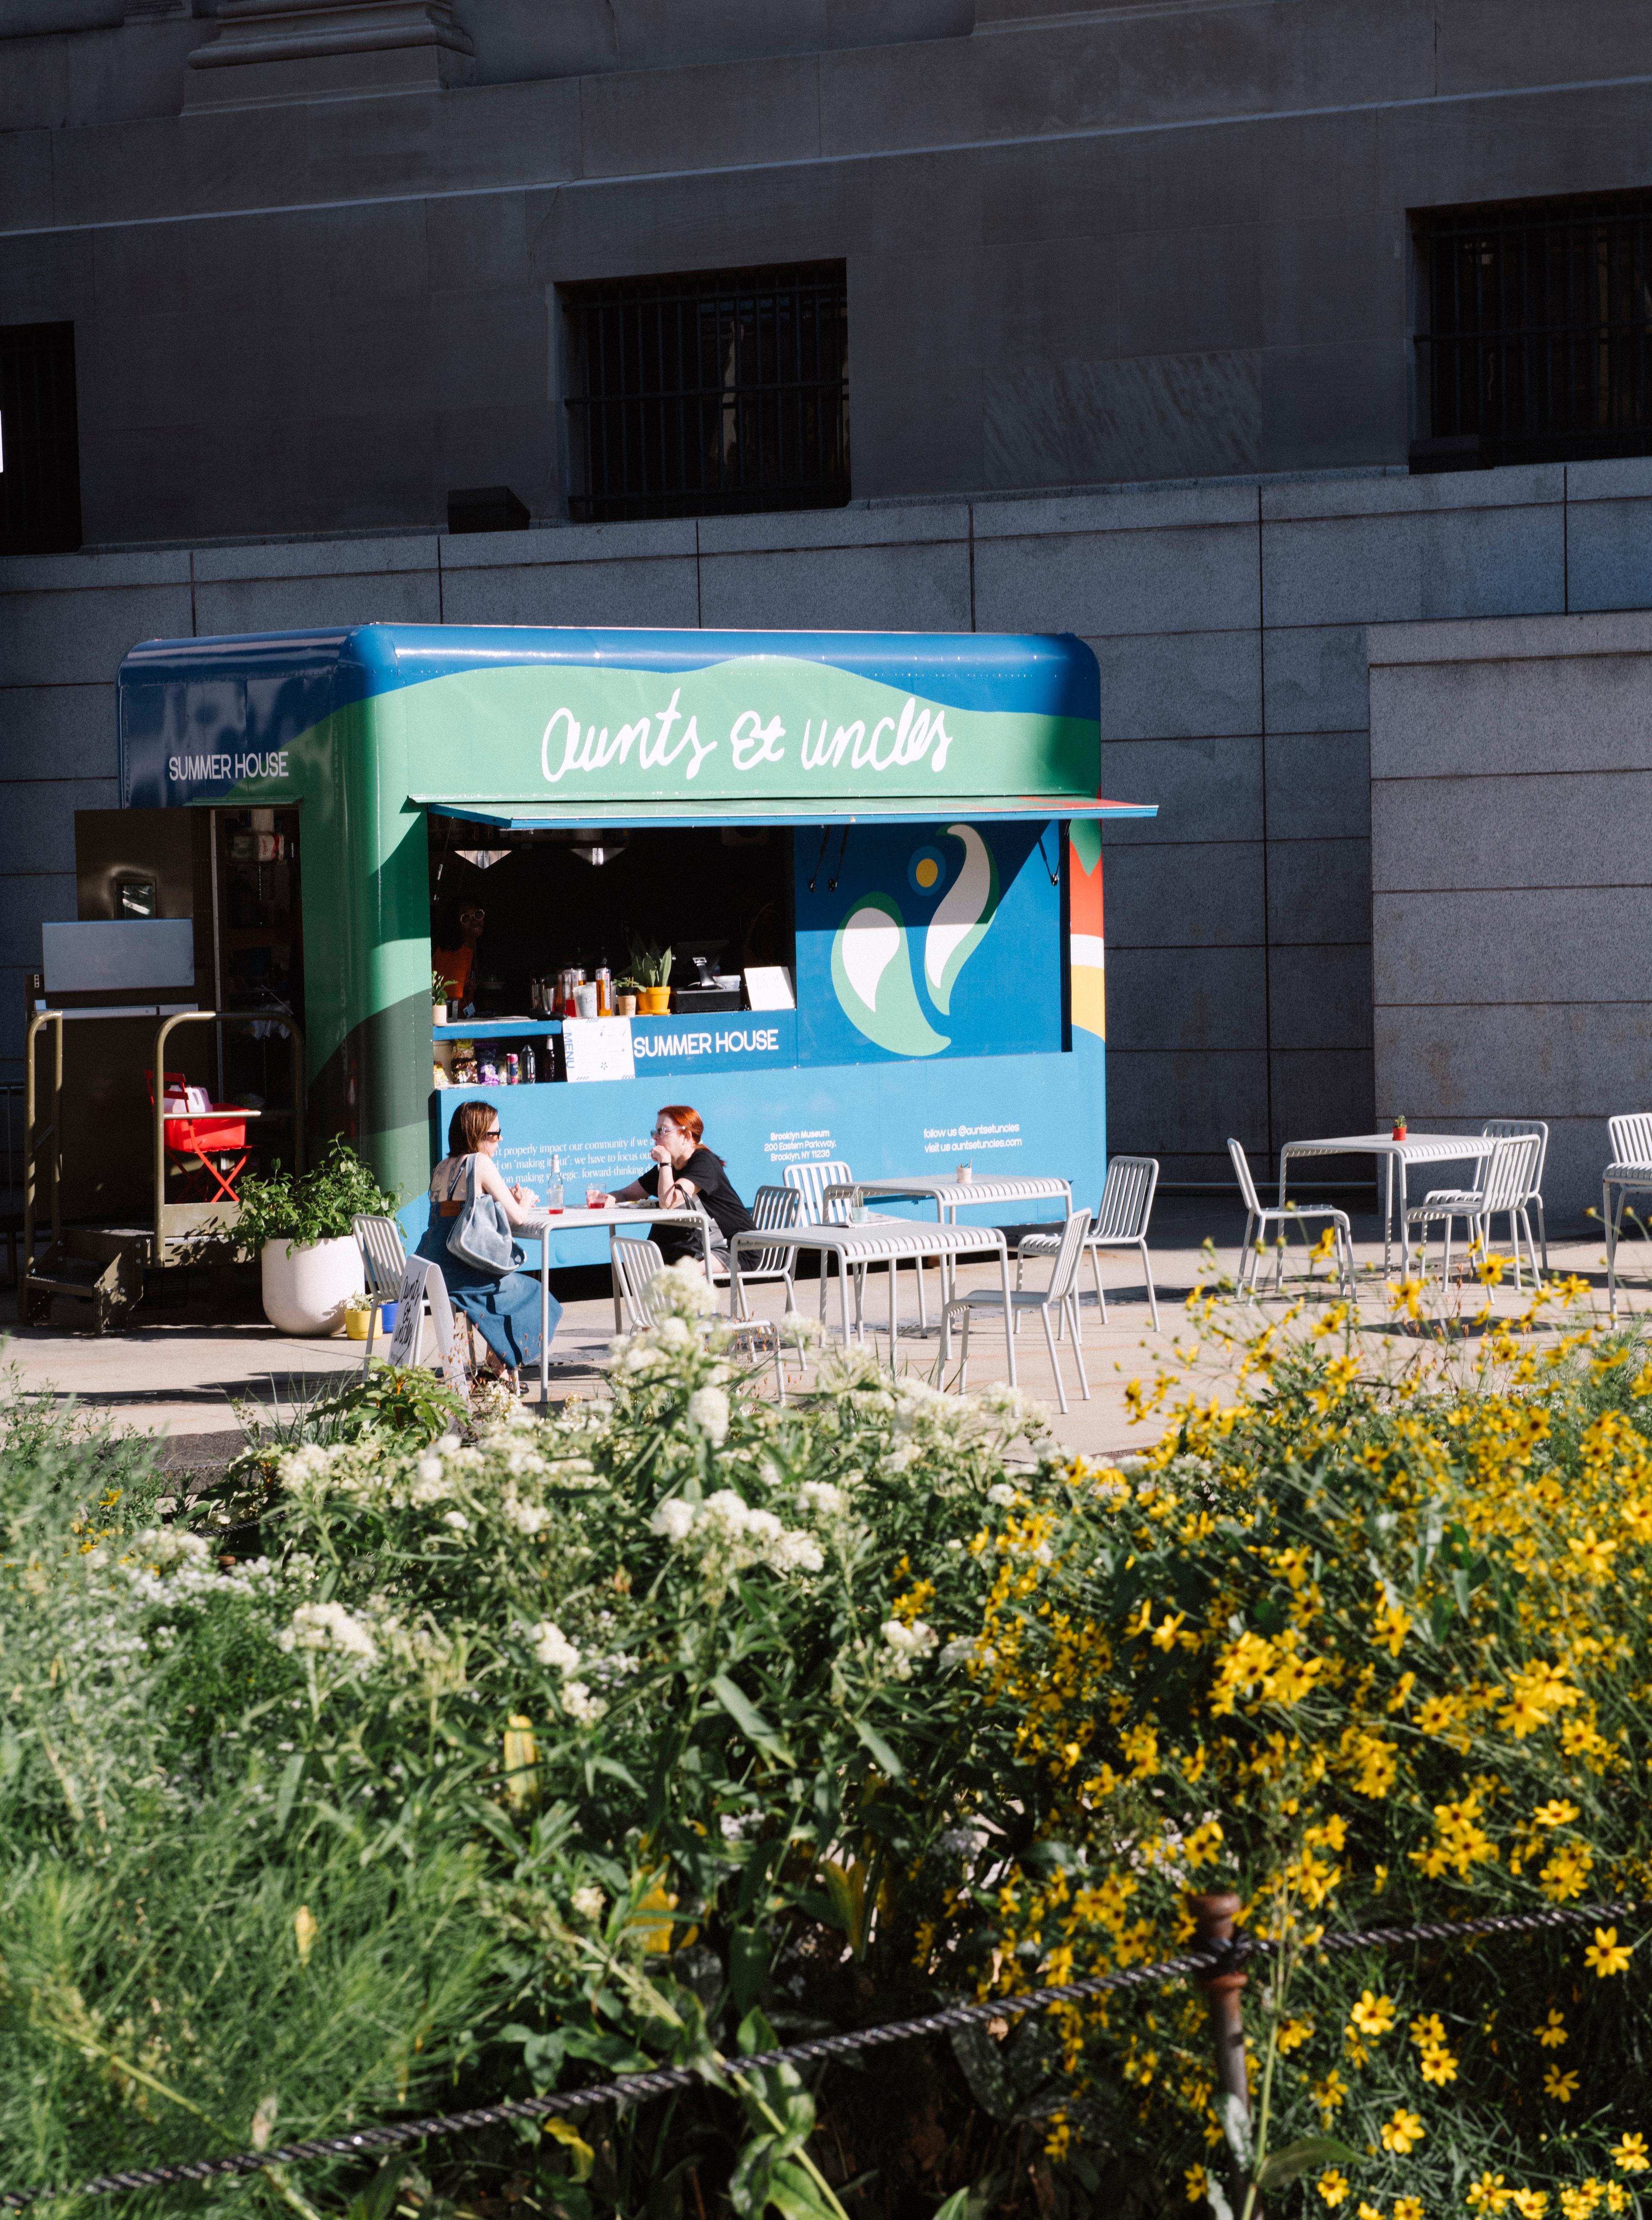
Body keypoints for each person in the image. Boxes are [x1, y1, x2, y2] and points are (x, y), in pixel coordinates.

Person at [413, 1098, 557, 1381]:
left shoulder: (442, 1167)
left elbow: (461, 1210)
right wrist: (524, 1199)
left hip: (436, 1267)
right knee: (534, 1293)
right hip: (463, 1269)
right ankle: (498, 1364)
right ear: (475, 1135)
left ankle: (496, 1365)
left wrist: (507, 1200)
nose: (500, 1140)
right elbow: (517, 1217)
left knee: (507, 1288)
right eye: (494, 1134)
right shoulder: (480, 1162)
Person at [598, 1105, 754, 1270]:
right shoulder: (670, 1167)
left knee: (680, 1274)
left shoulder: (704, 1162)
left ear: (686, 1136)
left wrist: (664, 1160)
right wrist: (606, 1199)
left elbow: (669, 1202)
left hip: (736, 1247)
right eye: (655, 1132)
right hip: (701, 1246)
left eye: (663, 1131)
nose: (655, 1138)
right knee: (652, 1261)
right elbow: (627, 1194)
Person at [431, 898, 486, 1014]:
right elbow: (450, 1008)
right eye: (466, 918)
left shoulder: (470, 948)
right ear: (455, 923)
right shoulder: (453, 954)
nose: (475, 921)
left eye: (478, 914)